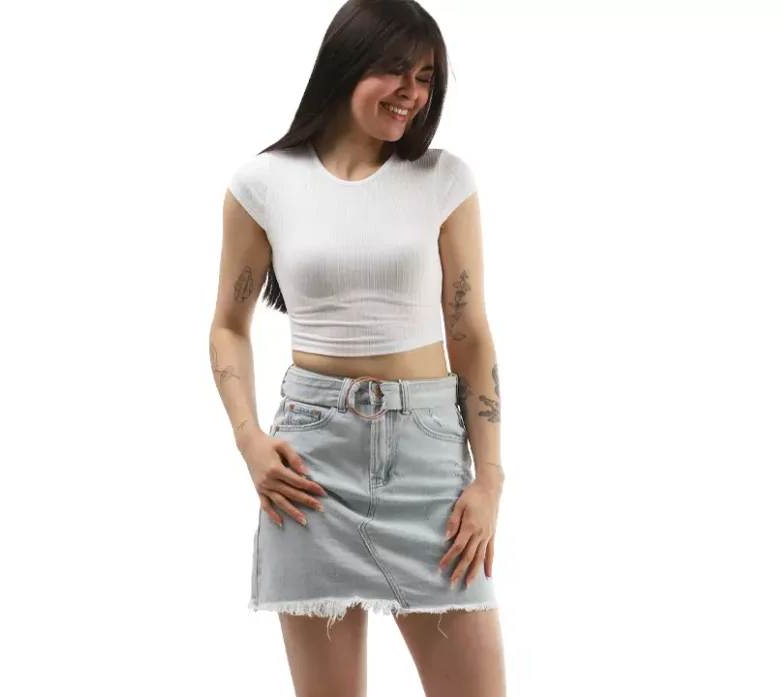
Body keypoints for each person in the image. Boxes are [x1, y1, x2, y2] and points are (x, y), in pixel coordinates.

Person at [209, 1, 505, 694]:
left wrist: (489, 477)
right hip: (311, 466)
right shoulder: (263, 184)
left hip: (428, 459)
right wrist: (249, 440)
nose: (412, 92)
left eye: (426, 77)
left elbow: (469, 333)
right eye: (397, 70)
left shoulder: (443, 179)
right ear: (346, 65)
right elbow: (228, 324)